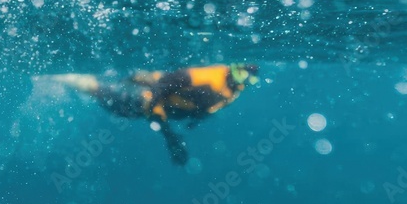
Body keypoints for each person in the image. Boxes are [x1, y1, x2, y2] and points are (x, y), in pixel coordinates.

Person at [48, 64, 260, 165]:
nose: (242, 81)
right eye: (240, 73)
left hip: (161, 105)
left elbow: (207, 106)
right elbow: (166, 85)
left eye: (249, 80)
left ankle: (81, 82)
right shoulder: (209, 78)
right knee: (108, 95)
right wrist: (170, 138)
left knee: (116, 103)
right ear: (233, 68)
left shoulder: (234, 90)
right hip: (150, 94)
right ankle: (59, 77)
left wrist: (193, 122)